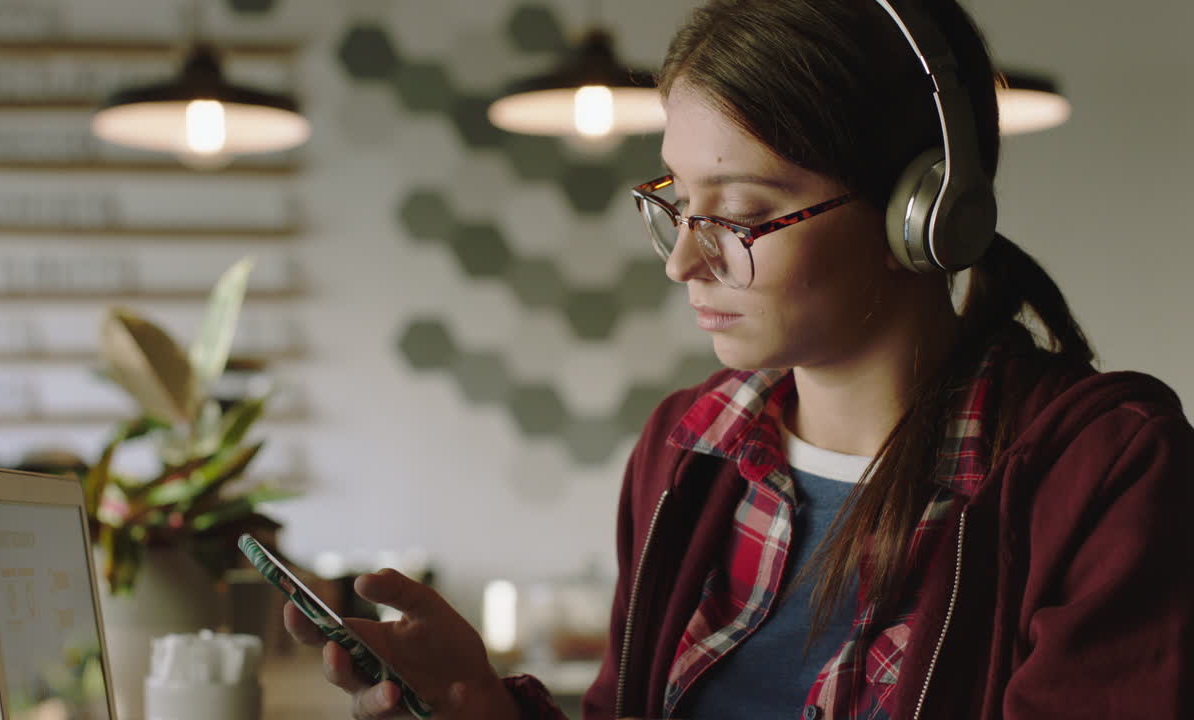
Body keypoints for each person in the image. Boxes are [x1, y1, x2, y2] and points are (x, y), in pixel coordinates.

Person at [283, 0, 1194, 717]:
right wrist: (485, 706)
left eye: (743, 214)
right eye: (679, 203)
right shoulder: (688, 446)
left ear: (922, 214)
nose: (684, 260)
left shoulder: (1106, 471)